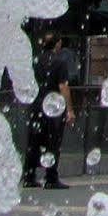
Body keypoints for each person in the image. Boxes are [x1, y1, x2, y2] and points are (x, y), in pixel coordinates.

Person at [22, 32, 72, 189]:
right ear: (57, 44)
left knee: (34, 141)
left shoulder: (35, 61)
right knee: (52, 142)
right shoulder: (60, 62)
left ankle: (29, 176)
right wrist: (69, 109)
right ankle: (51, 177)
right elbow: (63, 86)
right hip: (52, 107)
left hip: (36, 105)